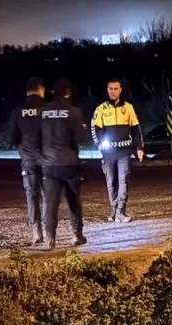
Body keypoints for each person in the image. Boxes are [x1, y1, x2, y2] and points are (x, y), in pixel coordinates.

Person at [39, 78, 89, 249]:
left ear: (53, 92)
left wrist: (41, 158)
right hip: (69, 164)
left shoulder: (42, 112)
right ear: (68, 93)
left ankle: (50, 239)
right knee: (73, 201)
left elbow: (36, 137)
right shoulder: (74, 111)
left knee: (50, 203)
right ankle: (77, 235)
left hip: (49, 164)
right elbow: (81, 138)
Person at [91, 78, 144, 223]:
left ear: (120, 90)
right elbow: (94, 128)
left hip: (124, 151)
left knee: (123, 180)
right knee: (111, 182)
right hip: (108, 152)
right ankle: (114, 209)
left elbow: (136, 128)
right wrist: (98, 144)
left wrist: (139, 147)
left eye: (116, 89)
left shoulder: (128, 107)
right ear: (107, 90)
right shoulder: (101, 109)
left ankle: (121, 211)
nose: (113, 91)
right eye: (110, 88)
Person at [9, 77, 46, 246]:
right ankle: (50, 231)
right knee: (48, 196)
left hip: (28, 160)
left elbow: (12, 138)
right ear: (41, 91)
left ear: (27, 92)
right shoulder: (48, 109)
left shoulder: (18, 111)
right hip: (47, 159)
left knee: (32, 195)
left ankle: (36, 233)